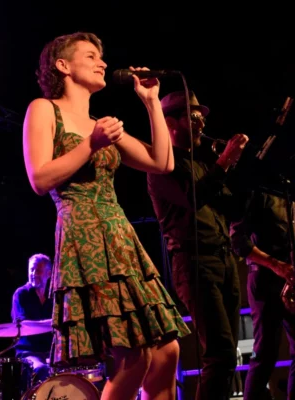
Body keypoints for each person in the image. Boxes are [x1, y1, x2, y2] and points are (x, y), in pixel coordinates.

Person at [22, 31, 190, 400]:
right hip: (84, 236)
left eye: (102, 56)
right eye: (91, 55)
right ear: (63, 66)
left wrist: (150, 103)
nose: (102, 62)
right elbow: (39, 178)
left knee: (167, 351)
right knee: (134, 356)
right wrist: (90, 144)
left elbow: (162, 161)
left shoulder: (101, 122)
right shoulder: (43, 109)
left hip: (120, 237)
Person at [147, 90, 249, 400]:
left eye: (202, 118)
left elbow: (231, 209)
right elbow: (194, 198)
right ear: (171, 123)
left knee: (228, 353)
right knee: (220, 355)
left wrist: (236, 168)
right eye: (194, 118)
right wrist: (223, 162)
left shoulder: (202, 164)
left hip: (223, 260)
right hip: (194, 264)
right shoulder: (162, 165)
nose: (202, 124)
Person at [229, 187, 295, 400]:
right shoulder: (256, 189)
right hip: (265, 279)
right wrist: (275, 265)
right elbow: (237, 240)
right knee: (265, 356)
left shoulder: (293, 192)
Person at [11, 253, 53, 383]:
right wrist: (52, 323)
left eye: (38, 270)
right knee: (42, 369)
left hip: (50, 351)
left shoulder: (54, 295)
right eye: (31, 269)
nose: (34, 273)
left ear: (49, 273)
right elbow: (23, 325)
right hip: (28, 352)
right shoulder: (21, 293)